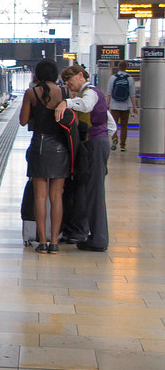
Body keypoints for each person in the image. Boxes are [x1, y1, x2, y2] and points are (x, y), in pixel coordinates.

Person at [55, 65, 116, 252]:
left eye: (69, 79)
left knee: (95, 193)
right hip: (97, 144)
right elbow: (111, 125)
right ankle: (95, 237)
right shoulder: (90, 94)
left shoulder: (90, 93)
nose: (67, 83)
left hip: (94, 145)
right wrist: (103, 138)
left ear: (80, 76)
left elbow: (87, 105)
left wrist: (66, 102)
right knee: (92, 192)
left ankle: (98, 240)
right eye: (65, 80)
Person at [19, 59, 69, 254]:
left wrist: (34, 114)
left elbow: (23, 121)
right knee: (57, 197)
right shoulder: (65, 93)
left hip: (39, 146)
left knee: (40, 197)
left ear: (37, 74)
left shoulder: (31, 93)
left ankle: (42, 241)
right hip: (60, 149)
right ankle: (54, 241)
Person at [106, 60, 137, 152]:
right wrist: (134, 107)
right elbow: (132, 94)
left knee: (113, 125)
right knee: (124, 126)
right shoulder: (129, 79)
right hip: (125, 107)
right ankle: (123, 145)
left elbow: (109, 93)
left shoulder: (113, 78)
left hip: (114, 106)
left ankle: (114, 140)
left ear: (118, 67)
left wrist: (107, 105)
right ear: (126, 68)